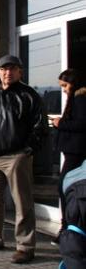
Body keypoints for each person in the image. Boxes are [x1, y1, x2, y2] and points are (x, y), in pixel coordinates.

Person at [0, 54, 47, 264]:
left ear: (20, 72)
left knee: (22, 203)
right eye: (3, 69)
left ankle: (25, 246)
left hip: (16, 156)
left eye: (12, 69)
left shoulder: (29, 95)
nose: (8, 72)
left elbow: (40, 127)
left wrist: (28, 150)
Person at [51, 69, 86, 244]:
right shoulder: (79, 98)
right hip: (75, 151)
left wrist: (60, 123)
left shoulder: (80, 99)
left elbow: (82, 124)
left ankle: (67, 227)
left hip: (76, 152)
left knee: (65, 187)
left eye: (65, 85)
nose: (64, 89)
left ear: (74, 82)